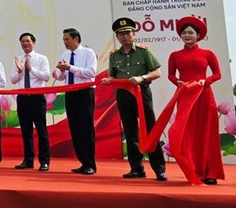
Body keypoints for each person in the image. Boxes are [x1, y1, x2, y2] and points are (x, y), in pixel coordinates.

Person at [102, 18, 167, 181]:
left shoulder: (144, 52)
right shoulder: (114, 56)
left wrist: (142, 77)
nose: (124, 37)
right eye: (120, 34)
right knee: (130, 133)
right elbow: (113, 75)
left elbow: (157, 72)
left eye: (127, 33)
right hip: (123, 95)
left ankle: (159, 169)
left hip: (142, 93)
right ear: (117, 37)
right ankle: (136, 168)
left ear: (134, 34)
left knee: (150, 130)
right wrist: (108, 80)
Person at [166, 16, 224, 185]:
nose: (187, 35)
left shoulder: (208, 54)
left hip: (204, 95)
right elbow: (171, 74)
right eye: (184, 33)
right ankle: (193, 170)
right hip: (185, 96)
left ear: (198, 35)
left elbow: (217, 74)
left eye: (190, 32)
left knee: (206, 132)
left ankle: (209, 172)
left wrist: (206, 81)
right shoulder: (175, 55)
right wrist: (177, 82)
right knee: (188, 134)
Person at [53, 28, 98, 175]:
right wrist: (59, 70)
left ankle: (90, 163)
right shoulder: (65, 54)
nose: (65, 42)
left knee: (86, 128)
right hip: (70, 93)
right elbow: (61, 77)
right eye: (63, 39)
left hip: (84, 93)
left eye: (67, 39)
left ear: (76, 38)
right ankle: (83, 162)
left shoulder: (88, 53)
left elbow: (91, 73)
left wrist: (70, 67)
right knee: (75, 128)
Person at [10, 33, 51, 171]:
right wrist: (21, 71)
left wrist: (31, 69)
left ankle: (44, 161)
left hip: (37, 98)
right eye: (22, 41)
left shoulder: (41, 58)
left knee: (41, 130)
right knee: (26, 131)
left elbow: (46, 77)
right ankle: (28, 160)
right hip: (22, 98)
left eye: (28, 41)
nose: (25, 44)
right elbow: (13, 80)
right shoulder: (18, 60)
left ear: (33, 43)